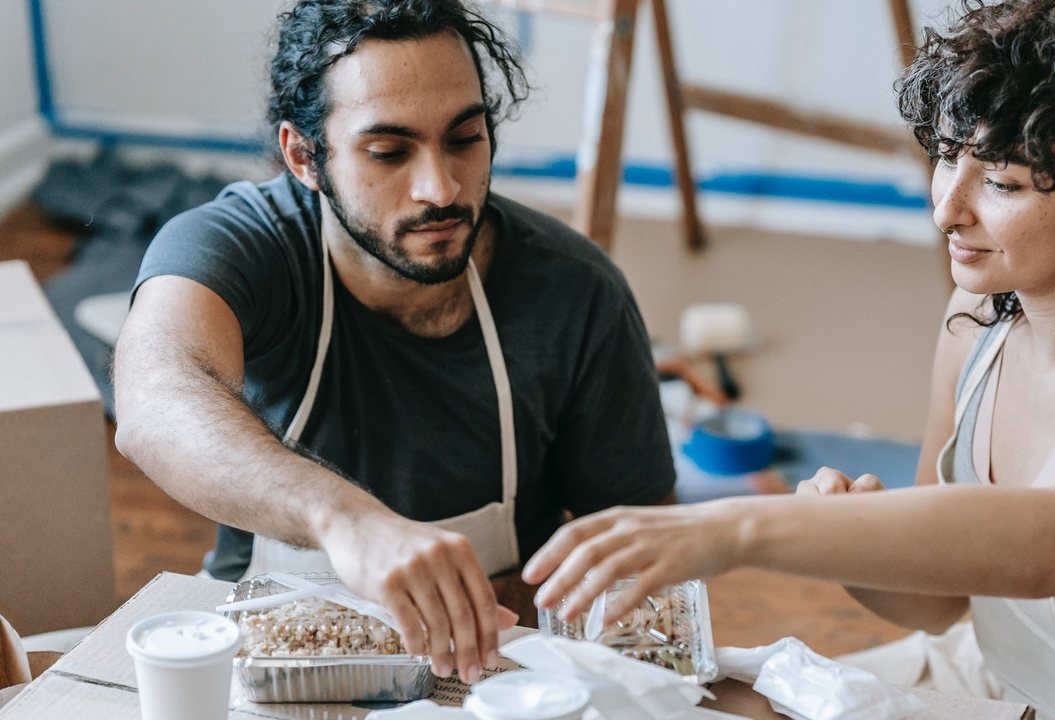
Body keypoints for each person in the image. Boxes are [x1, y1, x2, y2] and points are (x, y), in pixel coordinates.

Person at [523, 1, 1055, 717]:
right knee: (693, 700)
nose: (948, 207)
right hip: (993, 682)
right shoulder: (976, 323)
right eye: (948, 157)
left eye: (1003, 181)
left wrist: (736, 529)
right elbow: (937, 603)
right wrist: (843, 535)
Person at [112, 0, 676, 684]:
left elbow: (646, 562)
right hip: (270, 661)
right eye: (389, 151)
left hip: (497, 665)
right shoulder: (236, 246)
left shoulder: (577, 293)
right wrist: (347, 520)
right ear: (304, 156)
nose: (441, 188)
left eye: (465, 139)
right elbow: (154, 397)